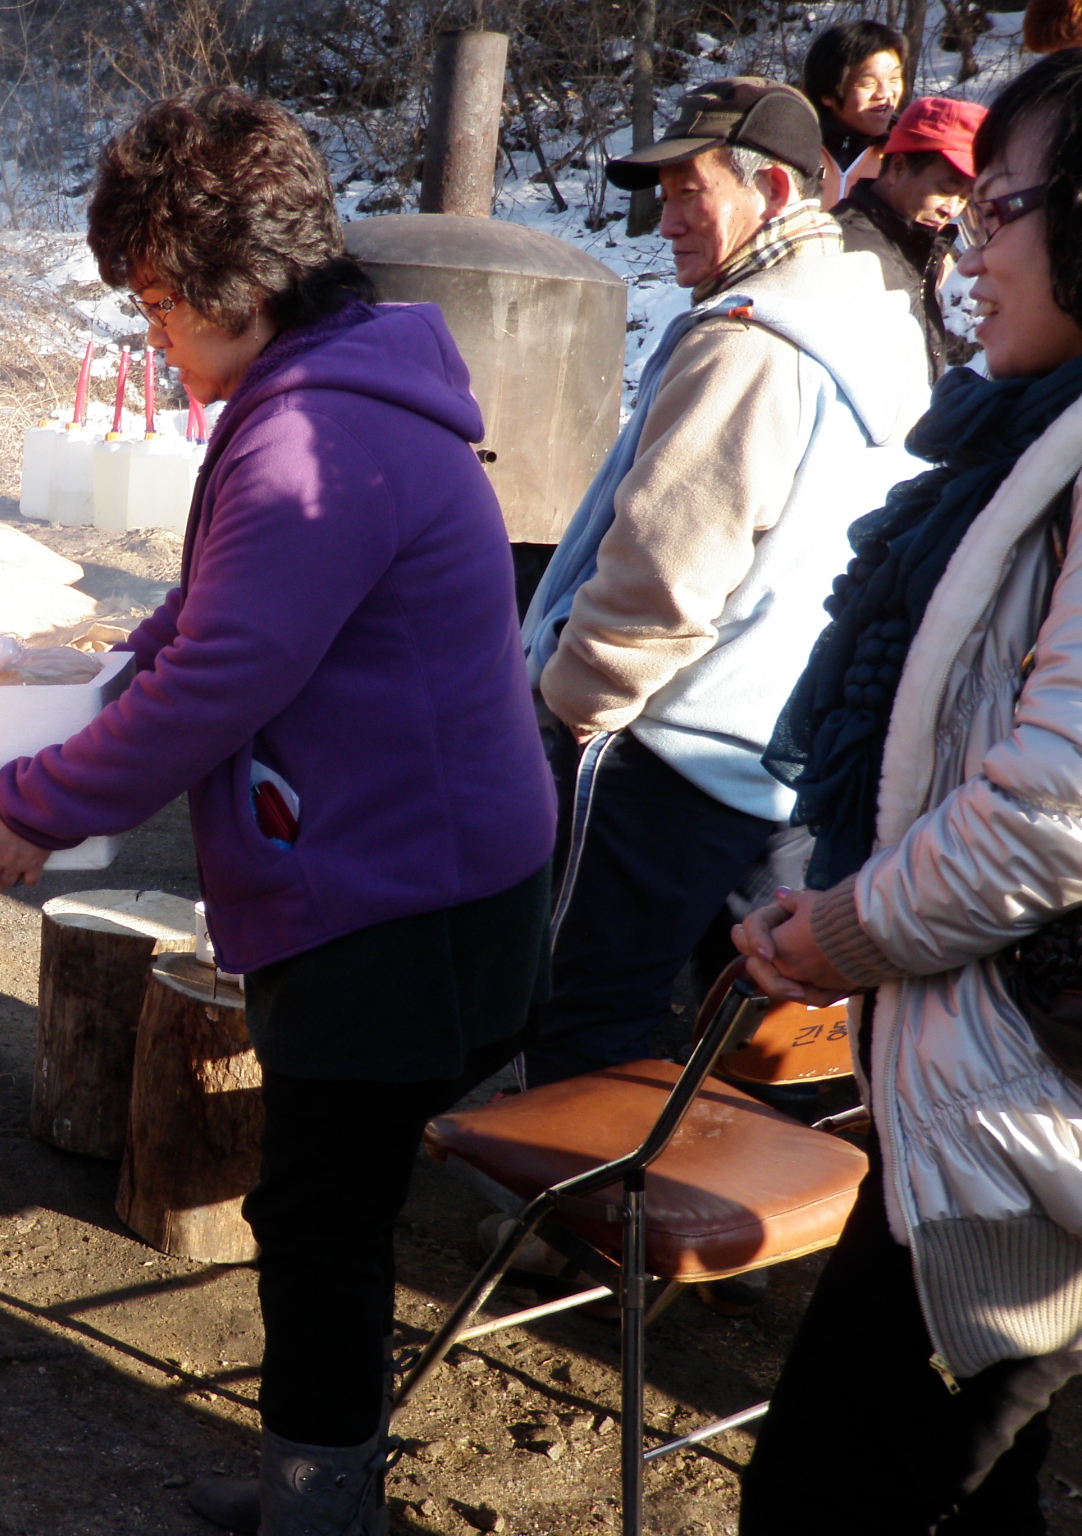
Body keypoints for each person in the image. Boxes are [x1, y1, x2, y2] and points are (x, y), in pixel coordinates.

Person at [0, 87, 557, 1536]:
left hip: (396, 907)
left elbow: (227, 673)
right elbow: (211, 615)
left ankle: (318, 1504)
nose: (156, 336)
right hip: (427, 875)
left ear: (236, 283)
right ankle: (323, 1476)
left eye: (157, 302)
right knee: (327, 1204)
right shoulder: (341, 386)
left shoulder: (312, 436)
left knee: (319, 1220)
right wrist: (100, 675)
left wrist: (28, 807)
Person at [740, 50, 1082, 1534]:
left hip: (1031, 1099)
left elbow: (1050, 811)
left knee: (833, 1499)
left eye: (1000, 208)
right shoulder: (1027, 440)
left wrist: (845, 931)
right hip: (988, 1076)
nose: (968, 247)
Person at [519, 79, 926, 1089]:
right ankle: (713, 1177)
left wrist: (573, 703)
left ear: (773, 189)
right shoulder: (875, 319)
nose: (664, 221)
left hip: (672, 747)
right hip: (793, 753)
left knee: (587, 1010)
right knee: (761, 1032)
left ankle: (577, 1195)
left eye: (687, 192)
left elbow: (662, 571)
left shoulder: (748, 342)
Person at [834, 95, 985, 380]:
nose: (951, 210)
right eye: (946, 189)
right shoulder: (841, 248)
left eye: (965, 198)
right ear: (898, 167)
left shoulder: (920, 253)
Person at [802, 19, 908, 205]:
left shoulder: (903, 158)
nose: (885, 94)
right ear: (827, 94)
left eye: (894, 79)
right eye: (868, 83)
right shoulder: (791, 146)